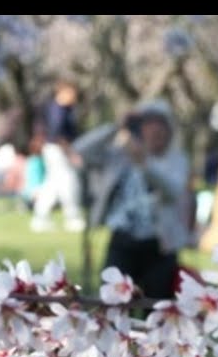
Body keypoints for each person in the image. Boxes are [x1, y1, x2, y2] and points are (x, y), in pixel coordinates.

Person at [72, 99, 191, 300]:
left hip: (160, 246)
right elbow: (81, 150)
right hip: (123, 241)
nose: (156, 132)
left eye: (161, 126)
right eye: (149, 126)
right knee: (112, 302)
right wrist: (117, 126)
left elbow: (173, 191)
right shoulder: (121, 156)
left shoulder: (177, 160)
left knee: (156, 306)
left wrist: (145, 165)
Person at [31, 81, 85, 232]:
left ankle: (41, 217)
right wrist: (70, 153)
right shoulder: (58, 110)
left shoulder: (63, 109)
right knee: (69, 183)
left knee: (53, 184)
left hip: (56, 149)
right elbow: (57, 134)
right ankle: (72, 217)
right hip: (58, 150)